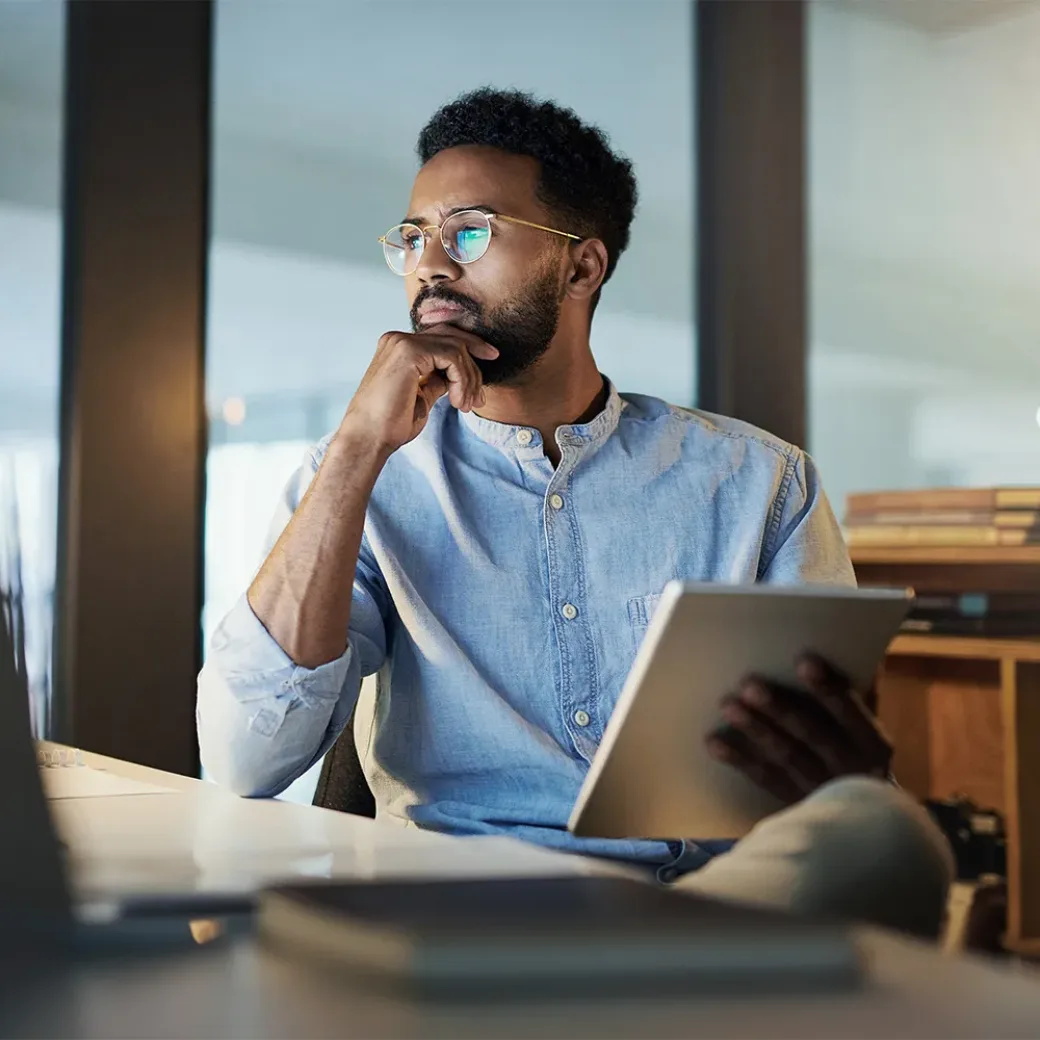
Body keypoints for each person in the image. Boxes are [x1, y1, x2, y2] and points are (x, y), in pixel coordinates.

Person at [197, 88, 952, 937]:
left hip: (696, 906)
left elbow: (831, 790)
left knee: (896, 844)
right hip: (454, 903)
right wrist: (355, 452)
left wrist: (845, 782)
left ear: (582, 268)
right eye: (413, 237)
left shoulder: (760, 481)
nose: (430, 264)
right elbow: (244, 760)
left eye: (469, 231)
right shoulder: (365, 476)